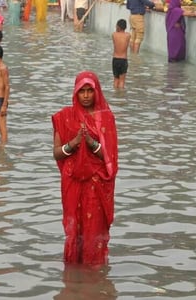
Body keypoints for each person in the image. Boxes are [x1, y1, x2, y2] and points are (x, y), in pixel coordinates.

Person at [51, 71, 119, 266]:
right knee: (73, 230)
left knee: (93, 230)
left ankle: (93, 271)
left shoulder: (105, 118)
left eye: (90, 90)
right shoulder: (64, 116)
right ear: (76, 92)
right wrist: (73, 143)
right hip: (72, 181)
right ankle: (73, 273)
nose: (87, 95)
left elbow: (110, 157)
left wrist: (91, 143)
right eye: (82, 91)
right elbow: (57, 153)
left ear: (97, 92)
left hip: (96, 183)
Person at [112, 19, 130, 89]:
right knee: (122, 81)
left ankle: (115, 95)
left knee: (116, 79)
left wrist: (117, 29)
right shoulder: (128, 35)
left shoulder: (114, 34)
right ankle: (121, 96)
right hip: (123, 59)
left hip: (115, 59)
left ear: (118, 26)